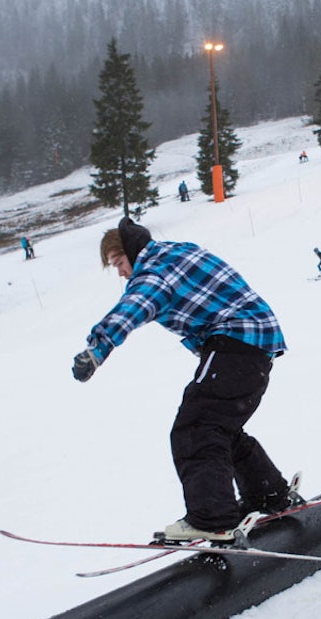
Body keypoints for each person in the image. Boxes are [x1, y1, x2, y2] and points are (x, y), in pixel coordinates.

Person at [72, 216, 292, 542]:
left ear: (131, 251)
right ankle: (270, 496)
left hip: (235, 342)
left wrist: (96, 349)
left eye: (118, 262)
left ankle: (213, 518)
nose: (120, 272)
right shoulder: (176, 253)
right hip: (256, 345)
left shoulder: (154, 271)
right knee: (220, 429)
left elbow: (137, 303)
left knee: (196, 428)